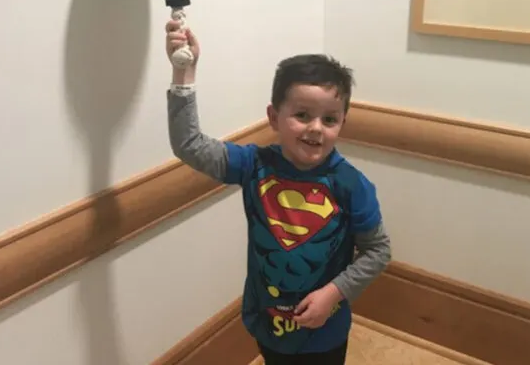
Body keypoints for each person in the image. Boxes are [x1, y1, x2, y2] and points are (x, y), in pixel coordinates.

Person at [165, 20, 392, 365]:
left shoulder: (351, 184)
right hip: (266, 322)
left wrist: (334, 293)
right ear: (274, 116)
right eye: (302, 115)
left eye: (329, 119)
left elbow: (378, 250)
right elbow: (189, 145)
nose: (316, 128)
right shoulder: (253, 165)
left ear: (342, 122)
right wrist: (184, 73)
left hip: (323, 332)